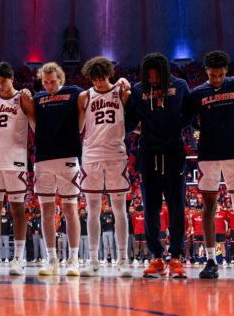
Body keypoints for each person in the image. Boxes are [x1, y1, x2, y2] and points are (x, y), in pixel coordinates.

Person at [189, 50, 234, 280]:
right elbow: (189, 120)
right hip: (208, 155)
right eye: (212, 75)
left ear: (226, 71)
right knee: (209, 207)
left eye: (220, 75)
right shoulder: (197, 93)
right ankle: (211, 260)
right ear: (206, 72)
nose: (217, 79)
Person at [126, 53, 190, 278]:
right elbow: (129, 120)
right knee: (150, 208)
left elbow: (190, 114)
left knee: (176, 207)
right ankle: (156, 258)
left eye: (156, 77)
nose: (152, 81)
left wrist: (172, 129)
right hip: (147, 154)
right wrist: (142, 130)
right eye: (149, 77)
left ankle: (176, 258)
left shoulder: (180, 86)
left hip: (174, 153)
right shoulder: (136, 89)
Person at [0, 62, 35, 275]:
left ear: (12, 79)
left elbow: (36, 127)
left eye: (3, 82)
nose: (0, 86)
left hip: (16, 161)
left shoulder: (23, 98)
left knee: (17, 210)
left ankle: (19, 259)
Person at [77, 56, 132, 277]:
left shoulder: (122, 93)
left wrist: (126, 81)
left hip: (116, 154)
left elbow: (133, 116)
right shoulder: (84, 96)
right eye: (94, 79)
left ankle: (123, 260)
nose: (98, 83)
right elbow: (79, 127)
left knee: (119, 210)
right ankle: (92, 260)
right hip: (91, 155)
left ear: (109, 74)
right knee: (92, 210)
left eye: (101, 78)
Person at [32, 62, 83, 276]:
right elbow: (32, 123)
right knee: (47, 212)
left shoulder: (75, 93)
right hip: (43, 158)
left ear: (61, 79)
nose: (49, 86)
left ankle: (73, 258)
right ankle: (51, 258)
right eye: (45, 82)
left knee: (71, 210)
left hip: (69, 156)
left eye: (53, 81)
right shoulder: (37, 98)